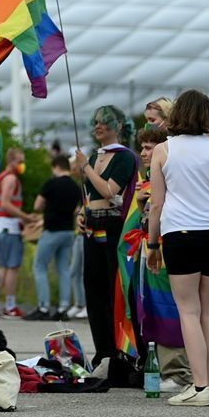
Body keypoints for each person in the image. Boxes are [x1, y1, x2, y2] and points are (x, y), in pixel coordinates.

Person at [146, 89, 209, 407]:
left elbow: (157, 204)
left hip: (181, 233)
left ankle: (198, 387)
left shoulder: (163, 150)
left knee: (188, 311)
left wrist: (152, 243)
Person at [79, 103, 140, 384]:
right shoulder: (94, 155)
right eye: (96, 122)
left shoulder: (124, 158)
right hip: (92, 229)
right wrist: (81, 213)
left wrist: (85, 168)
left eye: (104, 121)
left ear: (117, 126)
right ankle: (102, 351)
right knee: (93, 292)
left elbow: (108, 189)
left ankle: (120, 352)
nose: (98, 126)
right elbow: (90, 195)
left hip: (114, 229)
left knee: (114, 290)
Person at [131, 120, 190, 392]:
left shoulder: (165, 172)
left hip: (163, 247)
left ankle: (178, 371)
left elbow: (160, 207)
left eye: (148, 147)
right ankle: (171, 369)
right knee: (155, 308)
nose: (144, 153)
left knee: (169, 308)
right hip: (153, 245)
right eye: (142, 148)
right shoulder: (149, 178)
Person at [27, 155, 81, 321]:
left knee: (40, 266)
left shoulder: (51, 183)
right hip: (68, 231)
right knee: (64, 269)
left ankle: (44, 306)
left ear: (56, 166)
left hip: (51, 231)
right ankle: (64, 307)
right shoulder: (75, 187)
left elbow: (37, 205)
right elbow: (76, 209)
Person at [0, 147, 30, 318]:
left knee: (3, 267)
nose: (22, 165)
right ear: (11, 161)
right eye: (19, 161)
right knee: (12, 268)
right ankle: (11, 306)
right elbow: (5, 203)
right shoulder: (11, 179)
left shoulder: (1, 178)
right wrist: (26, 217)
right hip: (9, 229)